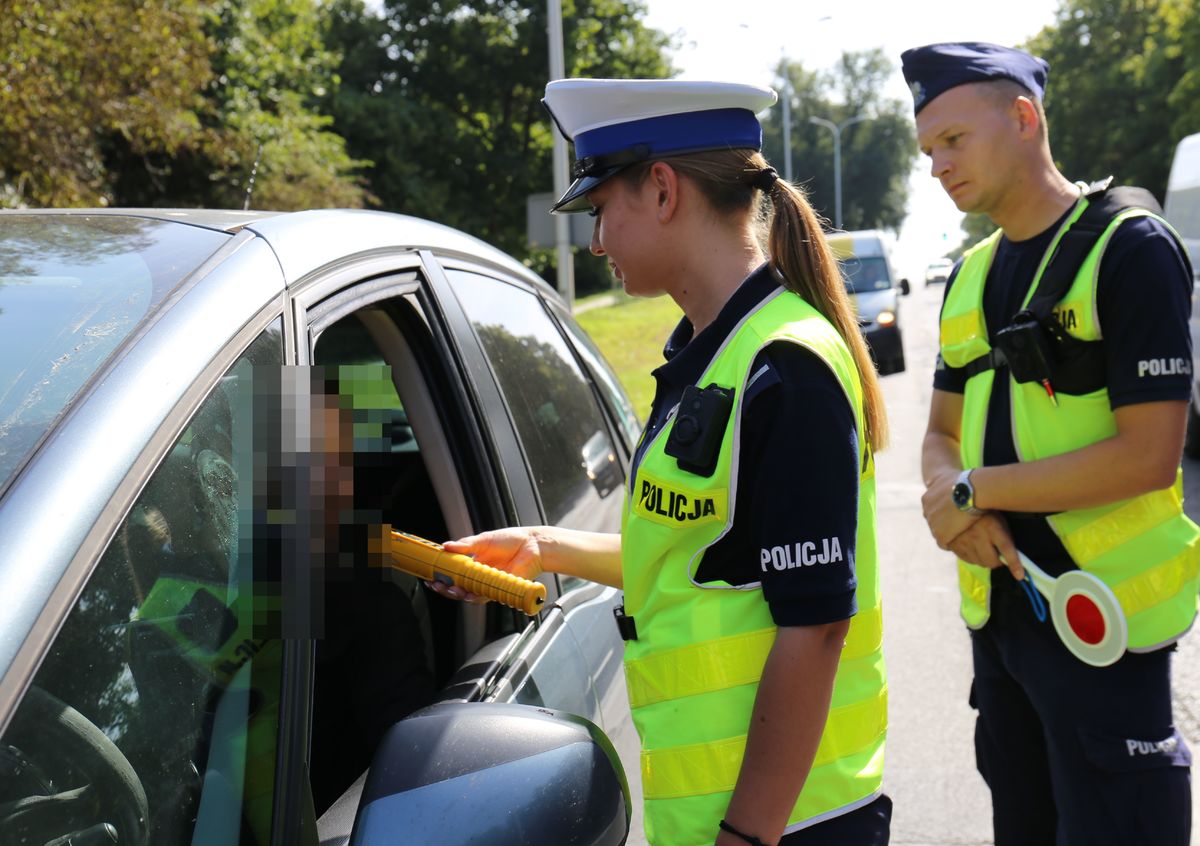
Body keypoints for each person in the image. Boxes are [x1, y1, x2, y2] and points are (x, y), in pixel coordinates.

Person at [434, 78, 892, 845]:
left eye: (601, 208)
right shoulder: (706, 353)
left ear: (661, 189)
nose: (597, 242)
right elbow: (700, 561)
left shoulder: (787, 365)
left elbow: (814, 628)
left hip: (792, 823)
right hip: (725, 817)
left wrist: (744, 836)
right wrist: (544, 547)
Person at [905, 41, 1197, 845]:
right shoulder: (969, 275)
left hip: (1102, 630)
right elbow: (938, 433)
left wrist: (971, 492)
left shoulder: (1129, 250)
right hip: (1002, 624)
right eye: (929, 150)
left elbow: (1149, 456)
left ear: (1025, 117)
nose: (937, 166)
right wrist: (947, 503)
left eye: (953, 141)